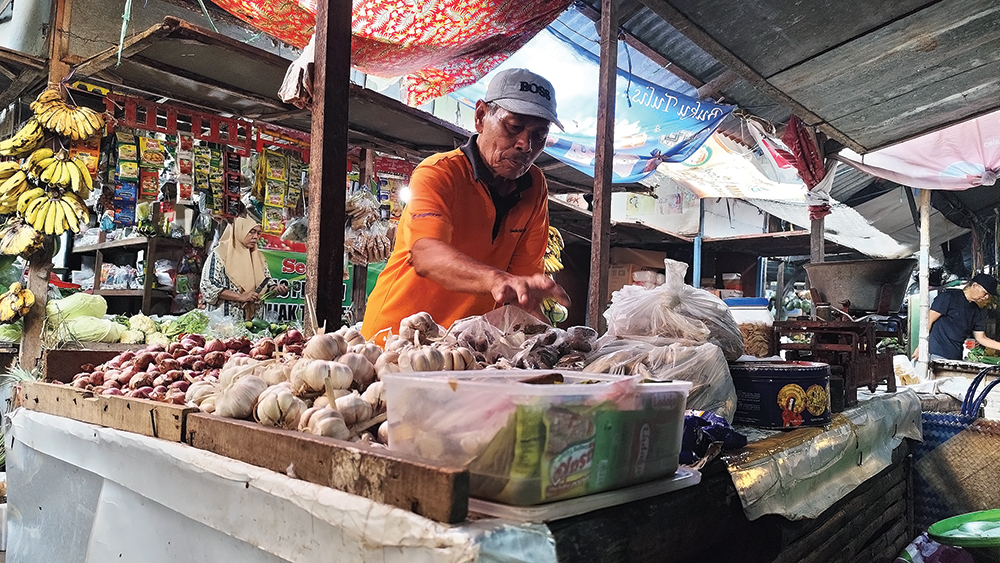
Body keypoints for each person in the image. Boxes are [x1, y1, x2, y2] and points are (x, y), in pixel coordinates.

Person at [361, 68, 570, 341]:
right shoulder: (438, 172)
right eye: (514, 126)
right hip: (393, 340)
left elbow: (522, 284)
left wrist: (546, 335)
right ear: (481, 116)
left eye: (539, 134)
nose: (525, 145)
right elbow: (426, 255)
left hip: (465, 348)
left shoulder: (535, 186)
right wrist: (496, 279)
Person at [201, 216, 288, 322]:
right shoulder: (220, 254)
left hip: (255, 323)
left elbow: (266, 282)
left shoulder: (258, 257)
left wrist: (276, 289)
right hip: (225, 324)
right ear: (239, 230)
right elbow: (208, 286)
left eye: (258, 233)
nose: (255, 237)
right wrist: (240, 297)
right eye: (251, 232)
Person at [925, 272, 1000, 361]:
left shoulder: (977, 311)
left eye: (989, 295)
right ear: (975, 285)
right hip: (935, 353)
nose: (986, 297)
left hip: (956, 357)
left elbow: (981, 338)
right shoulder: (948, 297)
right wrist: (921, 347)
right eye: (985, 293)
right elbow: (928, 321)